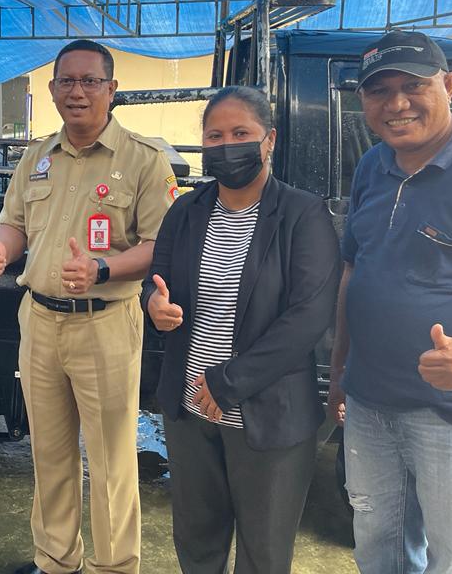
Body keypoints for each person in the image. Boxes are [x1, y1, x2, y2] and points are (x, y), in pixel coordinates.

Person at [328, 30, 452, 573]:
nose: (396, 104)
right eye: (379, 90)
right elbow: (354, 269)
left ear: (450, 85)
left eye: (413, 86)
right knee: (379, 552)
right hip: (370, 405)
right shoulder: (373, 165)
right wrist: (341, 370)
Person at [0, 40, 175, 574]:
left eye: (90, 81)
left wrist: (102, 270)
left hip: (104, 324)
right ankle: (56, 561)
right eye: (67, 81)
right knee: (50, 452)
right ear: (52, 89)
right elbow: (14, 224)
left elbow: (161, 243)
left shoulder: (143, 159)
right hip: (40, 321)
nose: (78, 92)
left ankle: (115, 567)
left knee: (111, 462)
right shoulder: (36, 156)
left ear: (112, 89)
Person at [140, 86, 340, 574]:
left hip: (270, 417)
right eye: (215, 136)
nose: (227, 145)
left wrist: (228, 383)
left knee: (263, 555)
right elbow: (155, 280)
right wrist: (155, 305)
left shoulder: (302, 214)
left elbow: (309, 316)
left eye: (240, 133)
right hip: (191, 413)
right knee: (197, 544)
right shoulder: (186, 211)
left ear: (269, 139)